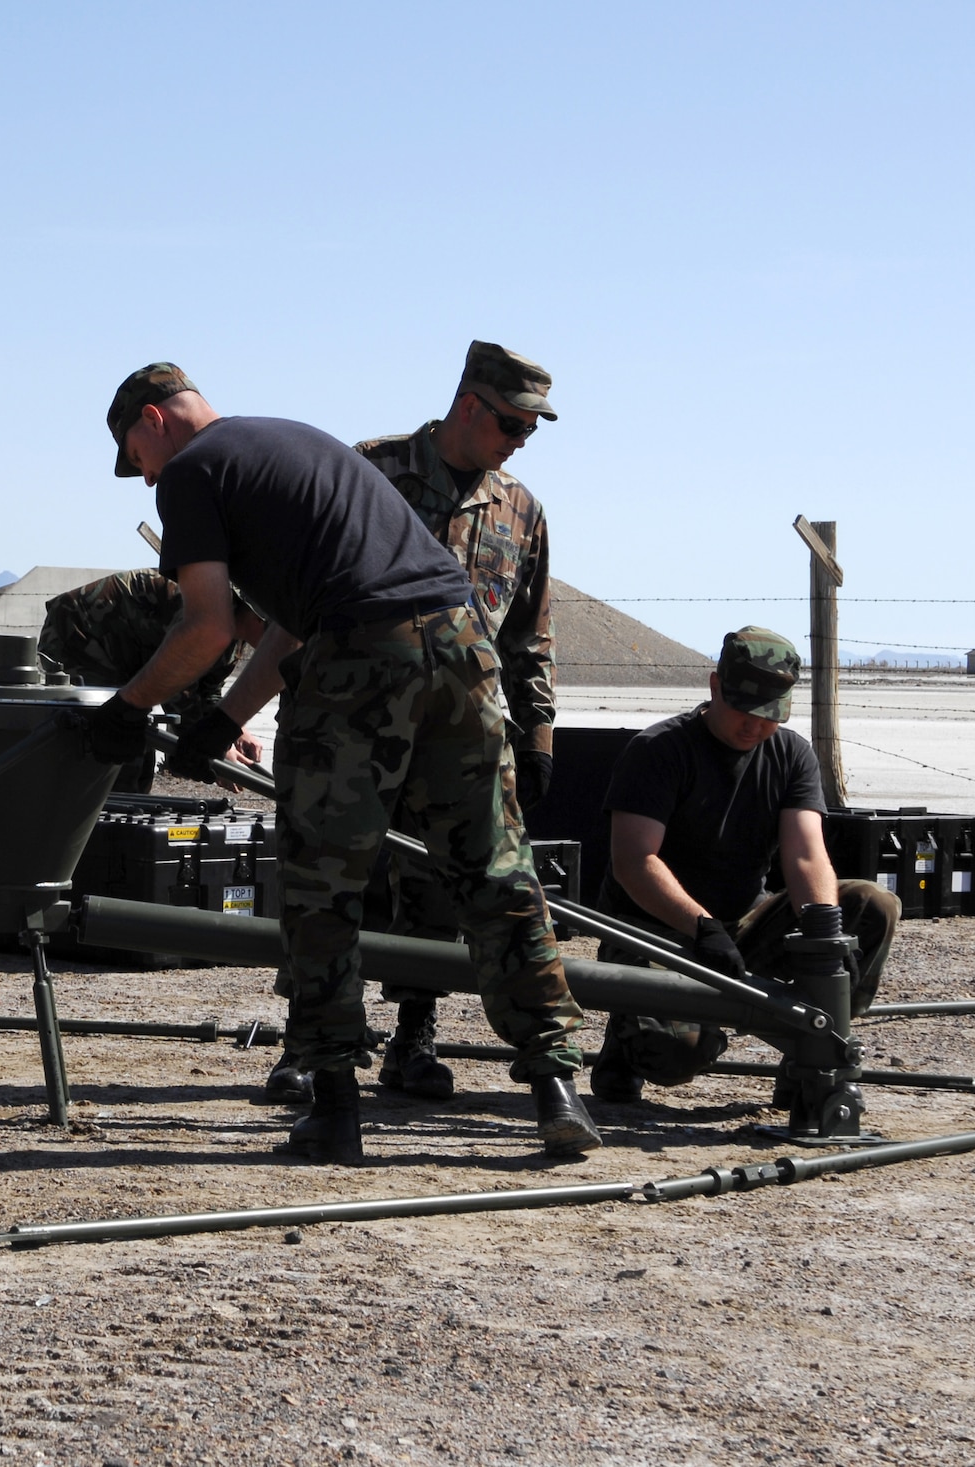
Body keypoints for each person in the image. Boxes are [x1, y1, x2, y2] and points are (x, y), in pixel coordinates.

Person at [81, 362, 598, 1163]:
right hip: (461, 648)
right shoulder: (297, 442)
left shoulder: (189, 472)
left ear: (152, 420)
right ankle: (556, 1087)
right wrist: (221, 720)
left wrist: (127, 707)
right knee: (496, 873)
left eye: (134, 456)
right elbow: (295, 623)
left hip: (362, 655)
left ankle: (331, 1102)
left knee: (324, 883)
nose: (141, 475)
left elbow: (208, 625)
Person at [291, 341, 558, 1105]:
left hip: (457, 727)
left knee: (436, 888)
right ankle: (307, 1047)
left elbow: (528, 639)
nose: (520, 441)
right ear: (468, 404)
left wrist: (536, 738)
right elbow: (296, 590)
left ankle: (414, 1035)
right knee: (329, 881)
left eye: (532, 430)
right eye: (511, 423)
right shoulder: (368, 470)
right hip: (352, 721)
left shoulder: (521, 509)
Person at [591, 628, 899, 1102]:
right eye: (743, 709)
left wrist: (824, 932)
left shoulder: (792, 754)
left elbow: (805, 853)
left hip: (741, 923)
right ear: (715, 687)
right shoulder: (659, 751)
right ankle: (628, 1041)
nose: (754, 725)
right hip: (653, 933)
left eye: (769, 715)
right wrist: (701, 928)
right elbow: (635, 862)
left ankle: (810, 1056)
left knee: (871, 904)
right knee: (675, 1055)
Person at [38, 568, 264, 791]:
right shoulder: (209, 610)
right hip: (79, 631)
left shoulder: (234, 637)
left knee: (137, 746)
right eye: (273, 632)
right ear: (257, 618)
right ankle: (100, 817)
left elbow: (208, 691)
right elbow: (178, 687)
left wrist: (236, 729)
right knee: (115, 740)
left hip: (124, 655)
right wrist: (219, 750)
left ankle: (129, 811)